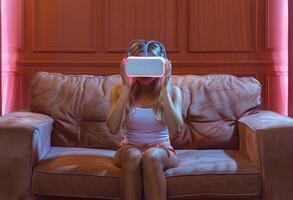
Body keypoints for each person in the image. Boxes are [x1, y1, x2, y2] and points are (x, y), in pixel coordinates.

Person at [106, 39, 184, 200]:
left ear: (162, 65)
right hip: (129, 149)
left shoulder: (173, 92)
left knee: (151, 156)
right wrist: (126, 88)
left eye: (151, 65)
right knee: (133, 155)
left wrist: (164, 87)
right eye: (140, 65)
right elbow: (113, 128)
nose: (145, 72)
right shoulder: (119, 90)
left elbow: (175, 130)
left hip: (161, 149)